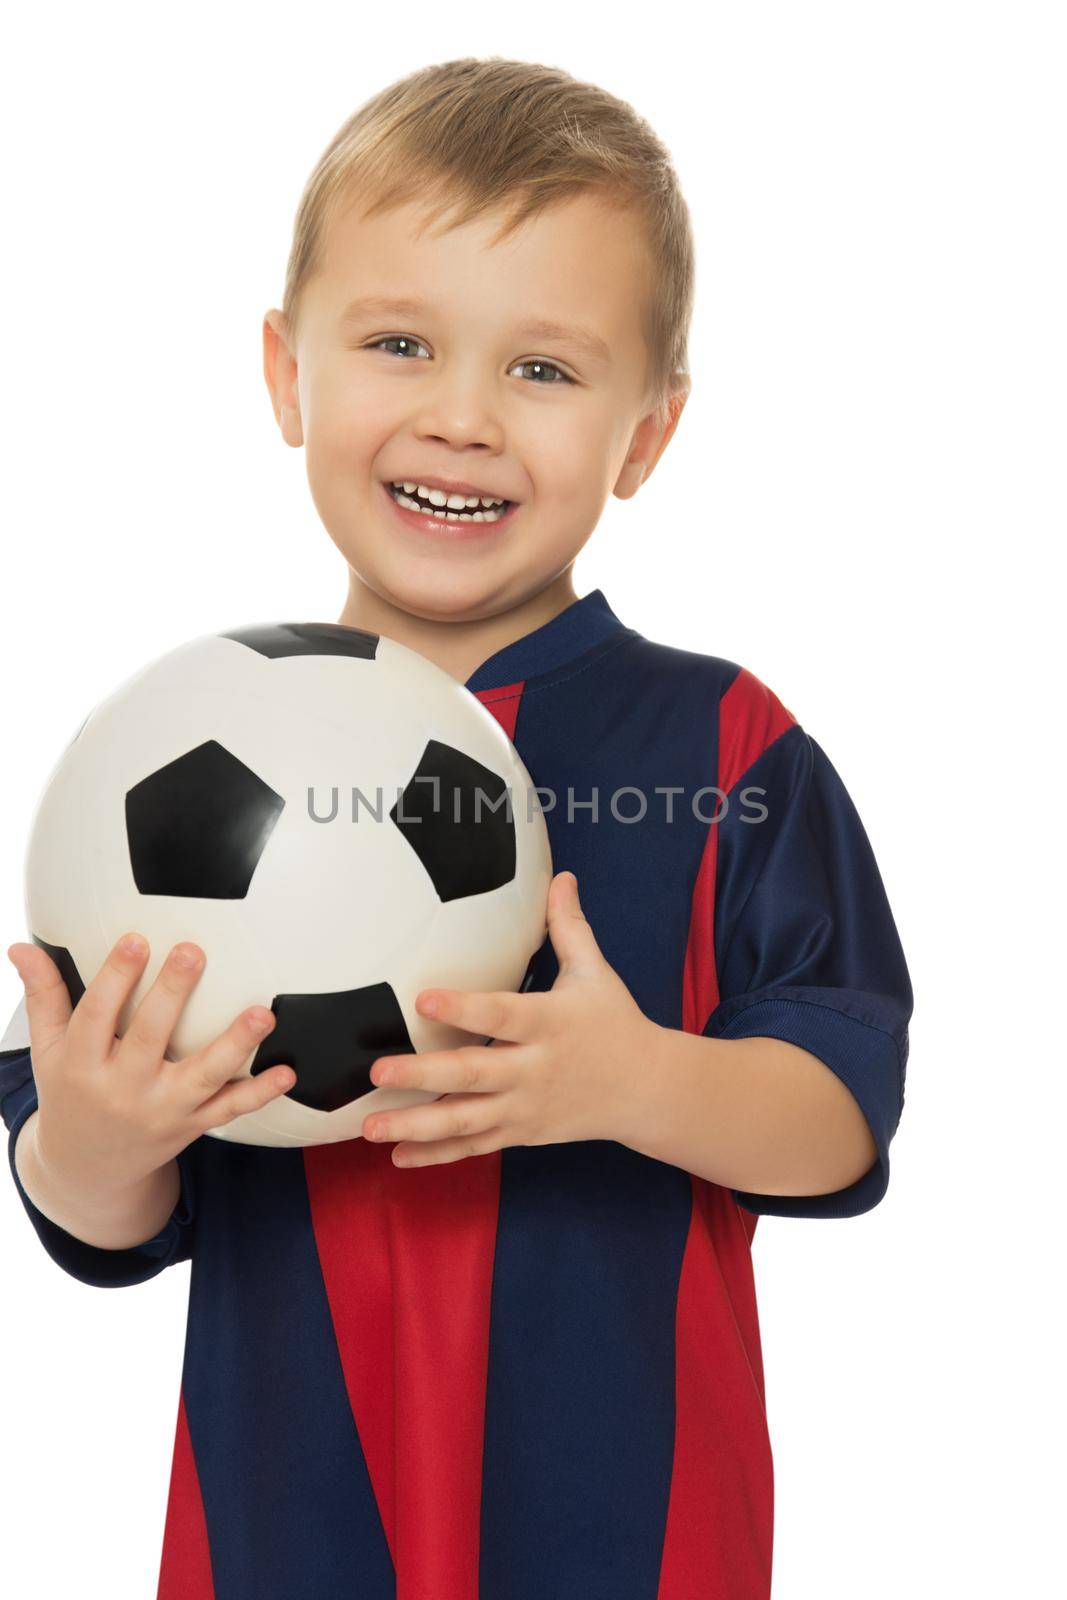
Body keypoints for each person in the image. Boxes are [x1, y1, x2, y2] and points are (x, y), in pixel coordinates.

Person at [0, 57, 912, 1600]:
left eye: (545, 370)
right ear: (289, 375)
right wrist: (93, 1139)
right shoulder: (171, 761)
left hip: (630, 1531)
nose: (464, 418)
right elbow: (100, 1217)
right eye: (401, 342)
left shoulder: (726, 745)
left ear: (647, 432)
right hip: (283, 1534)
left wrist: (635, 1082)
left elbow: (841, 1127)